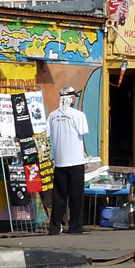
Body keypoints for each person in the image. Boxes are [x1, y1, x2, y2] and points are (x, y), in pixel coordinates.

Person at [47, 86, 89, 235]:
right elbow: (83, 133)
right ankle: (75, 227)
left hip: (59, 161)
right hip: (76, 161)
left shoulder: (52, 115)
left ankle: (54, 226)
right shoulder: (79, 115)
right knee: (76, 197)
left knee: (59, 196)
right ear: (71, 98)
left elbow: (48, 134)